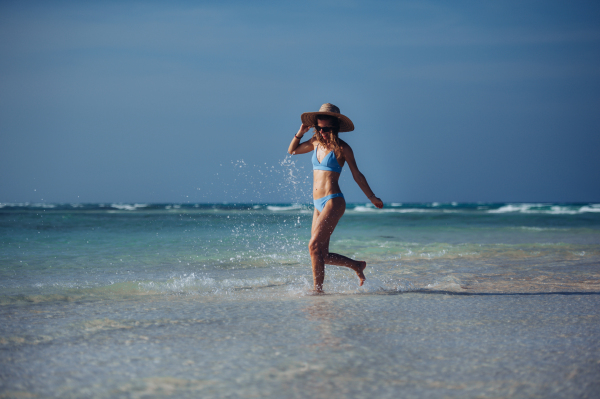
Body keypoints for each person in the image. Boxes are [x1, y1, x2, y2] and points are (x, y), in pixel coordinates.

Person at [288, 103, 383, 292]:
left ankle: (318, 291)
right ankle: (356, 265)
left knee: (313, 246)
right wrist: (300, 132)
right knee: (320, 253)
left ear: (335, 128)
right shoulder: (314, 143)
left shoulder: (343, 148)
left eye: (327, 129)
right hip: (317, 204)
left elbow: (357, 175)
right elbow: (292, 150)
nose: (322, 132)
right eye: (319, 128)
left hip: (333, 201)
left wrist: (372, 197)